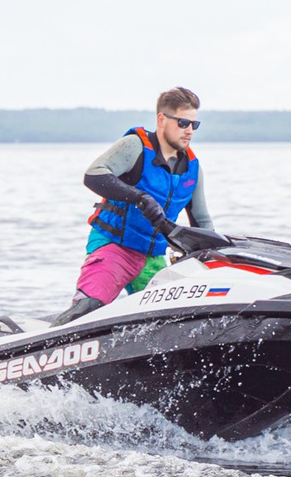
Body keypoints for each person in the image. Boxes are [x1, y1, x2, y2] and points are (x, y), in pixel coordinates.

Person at [50, 88, 227, 324]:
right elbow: (94, 175)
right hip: (114, 248)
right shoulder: (135, 146)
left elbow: (202, 223)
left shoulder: (192, 168)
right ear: (162, 119)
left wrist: (218, 260)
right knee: (89, 308)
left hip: (153, 259)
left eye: (195, 125)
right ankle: (50, 341)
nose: (189, 131)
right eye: (183, 122)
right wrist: (139, 197)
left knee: (175, 321)